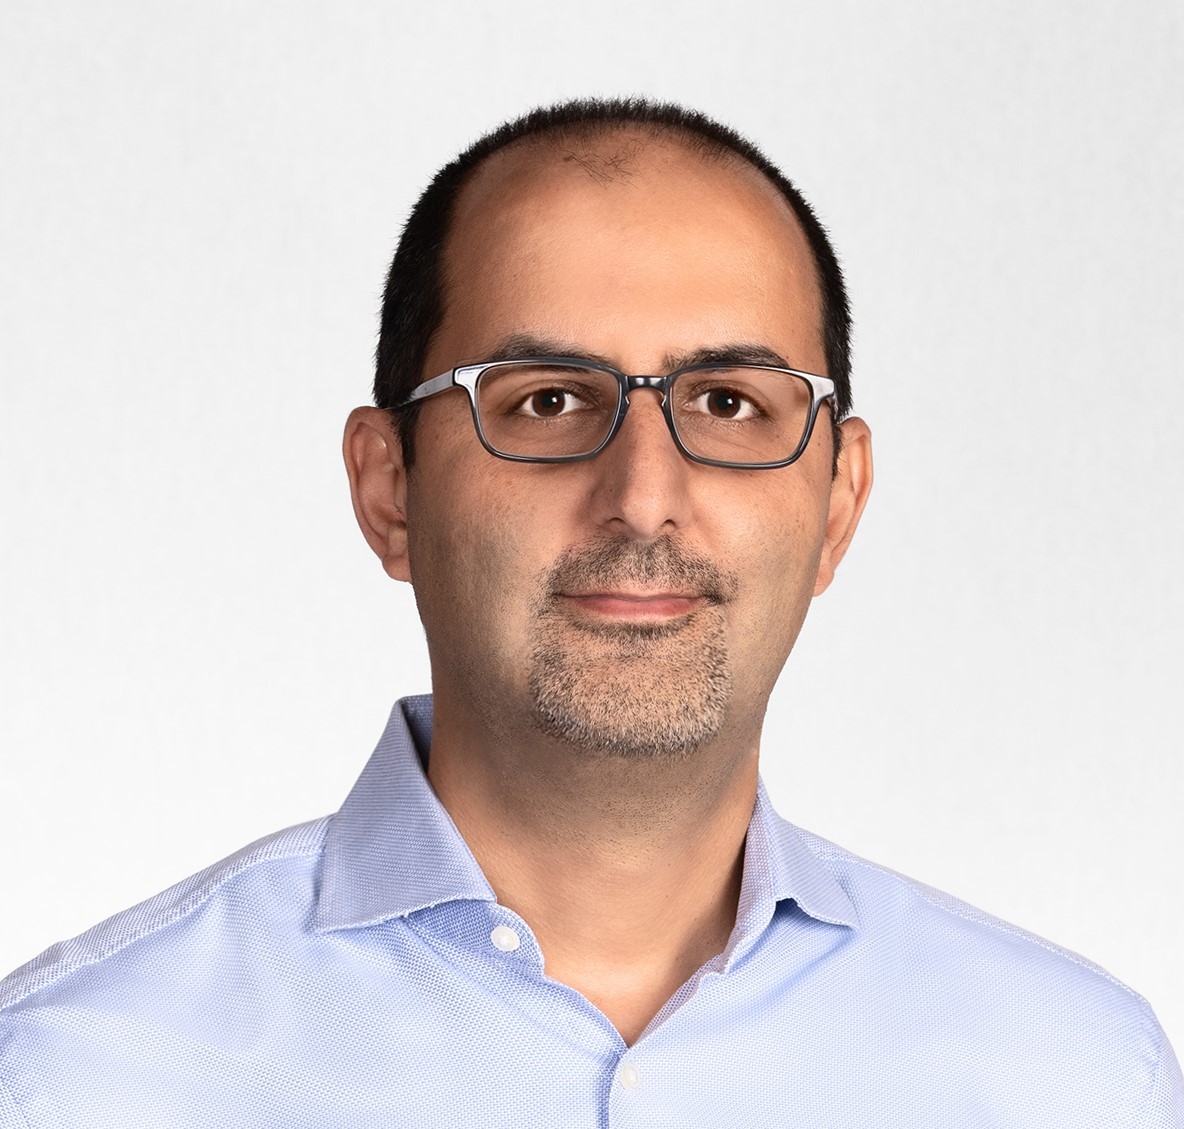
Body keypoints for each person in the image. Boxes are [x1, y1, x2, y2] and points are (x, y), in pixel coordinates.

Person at [1, 97, 1179, 1128]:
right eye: (548, 399)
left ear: (836, 502)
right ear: (390, 488)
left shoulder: (1074, 1084)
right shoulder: (73, 1084)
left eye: (727, 402)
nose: (643, 496)